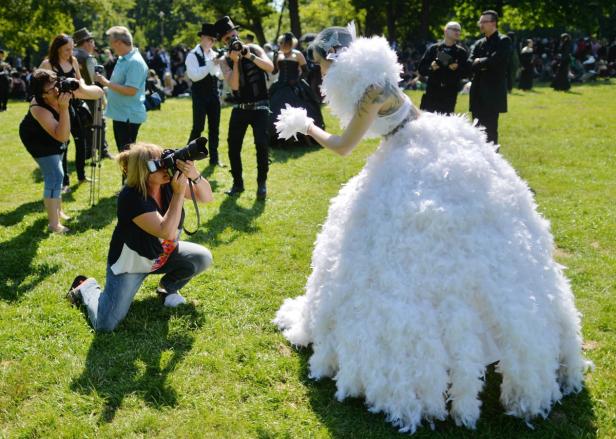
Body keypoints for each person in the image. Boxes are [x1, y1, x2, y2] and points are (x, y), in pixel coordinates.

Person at [273, 25, 590, 434]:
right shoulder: (380, 78)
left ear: (332, 59)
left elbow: (343, 146)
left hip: (410, 158)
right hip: (431, 141)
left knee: (411, 251)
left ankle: (430, 354)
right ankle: (488, 338)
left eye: (319, 65)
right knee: (465, 245)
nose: (318, 73)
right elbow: (407, 117)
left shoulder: (367, 91)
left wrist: (307, 125)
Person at [65, 142, 214, 331]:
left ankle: (167, 290)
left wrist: (193, 174)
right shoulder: (131, 198)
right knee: (105, 324)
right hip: (131, 265)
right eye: (158, 164)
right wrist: (178, 194)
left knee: (202, 257)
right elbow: (166, 231)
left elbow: (207, 197)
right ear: (144, 171)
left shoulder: (166, 182)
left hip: (162, 255)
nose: (165, 166)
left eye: (164, 160)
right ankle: (86, 287)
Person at [19, 69, 103, 233]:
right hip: (37, 140)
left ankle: (58, 211)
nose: (57, 89)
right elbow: (62, 136)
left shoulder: (63, 87)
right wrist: (64, 108)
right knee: (55, 175)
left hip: (57, 133)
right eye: (52, 89)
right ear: (43, 95)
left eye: (56, 83)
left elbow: (98, 93)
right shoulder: (39, 108)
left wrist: (81, 88)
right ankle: (54, 225)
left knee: (59, 171)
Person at [215, 16, 274, 200]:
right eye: (226, 39)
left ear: (237, 33)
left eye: (232, 35)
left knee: (262, 145)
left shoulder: (254, 48)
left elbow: (270, 67)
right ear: (223, 42)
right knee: (233, 147)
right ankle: (238, 184)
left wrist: (248, 55)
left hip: (261, 107)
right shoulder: (225, 60)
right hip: (240, 107)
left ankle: (261, 184)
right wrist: (236, 61)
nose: (231, 40)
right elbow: (234, 86)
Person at [40, 34, 91, 190]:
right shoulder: (48, 64)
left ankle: (82, 176)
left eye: (72, 49)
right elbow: (40, 87)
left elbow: (80, 80)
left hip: (76, 105)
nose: (70, 52)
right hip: (59, 108)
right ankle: (64, 182)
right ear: (58, 48)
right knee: (63, 143)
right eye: (67, 49)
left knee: (81, 140)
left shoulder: (73, 61)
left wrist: (83, 87)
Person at [94, 26, 148, 154]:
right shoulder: (123, 59)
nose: (111, 46)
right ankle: (127, 175)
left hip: (128, 116)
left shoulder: (134, 62)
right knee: (124, 155)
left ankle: (129, 175)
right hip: (121, 114)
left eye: (111, 43)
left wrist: (106, 83)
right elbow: (120, 86)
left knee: (127, 156)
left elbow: (131, 91)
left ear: (119, 42)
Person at [269, 32, 324, 147]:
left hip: (296, 86)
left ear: (291, 43)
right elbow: (274, 71)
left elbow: (306, 71)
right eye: (283, 43)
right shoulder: (278, 54)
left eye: (288, 43)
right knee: (276, 110)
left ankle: (306, 138)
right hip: (280, 86)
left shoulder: (297, 54)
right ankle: (280, 139)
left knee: (305, 109)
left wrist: (297, 80)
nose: (285, 45)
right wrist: (274, 59)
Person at [469, 10, 512, 146]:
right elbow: (470, 62)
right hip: (477, 91)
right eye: (480, 22)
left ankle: (492, 160)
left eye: (484, 22)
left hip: (492, 91)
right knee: (476, 128)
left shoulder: (503, 40)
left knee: (490, 129)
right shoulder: (478, 43)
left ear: (493, 23)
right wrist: (482, 63)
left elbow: (496, 60)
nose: (481, 25)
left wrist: (479, 62)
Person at [185, 23, 224, 166]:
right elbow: (194, 76)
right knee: (198, 127)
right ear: (202, 38)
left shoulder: (215, 55)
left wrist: (221, 64)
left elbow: (220, 76)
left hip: (214, 95)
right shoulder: (192, 55)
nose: (211, 42)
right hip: (199, 95)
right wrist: (209, 65)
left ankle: (214, 158)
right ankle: (187, 155)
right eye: (209, 39)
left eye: (213, 40)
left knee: (215, 128)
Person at [73, 27, 113, 160]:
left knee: (83, 125)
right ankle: (103, 150)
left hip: (74, 96)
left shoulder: (71, 55)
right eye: (92, 41)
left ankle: (88, 151)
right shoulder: (87, 57)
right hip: (89, 95)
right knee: (99, 122)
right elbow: (92, 81)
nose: (94, 44)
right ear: (86, 42)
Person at [417, 22, 470, 114]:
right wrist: (431, 67)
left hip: (449, 94)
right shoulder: (433, 49)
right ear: (445, 31)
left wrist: (457, 68)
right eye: (454, 29)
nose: (457, 32)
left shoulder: (461, 52)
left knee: (446, 123)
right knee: (429, 122)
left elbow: (467, 73)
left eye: (459, 30)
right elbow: (421, 70)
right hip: (432, 93)